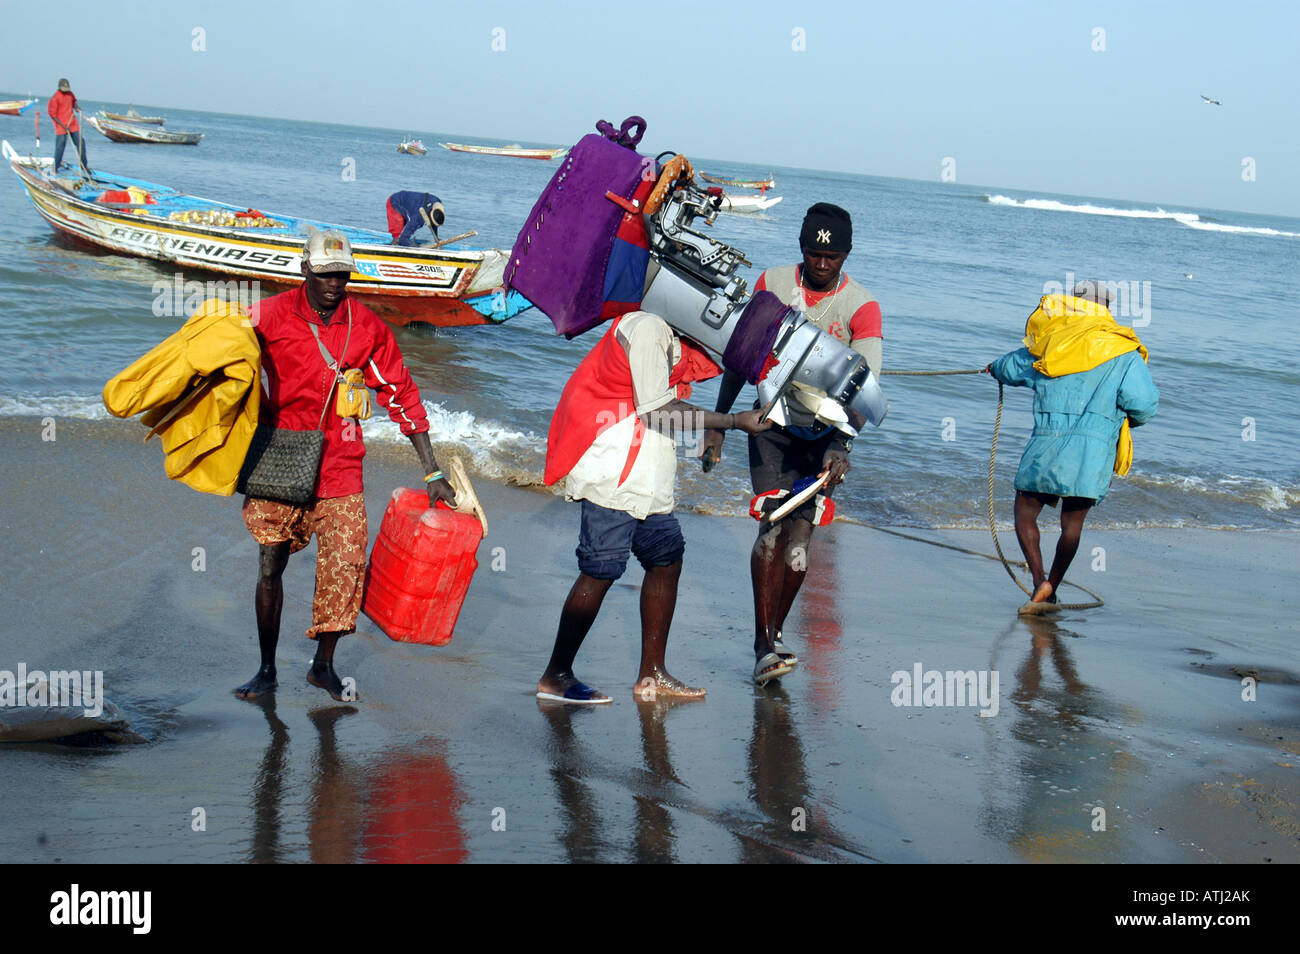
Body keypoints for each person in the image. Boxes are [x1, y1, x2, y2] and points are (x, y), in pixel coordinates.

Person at [235, 229, 456, 701]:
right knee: (271, 563)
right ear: (305, 270)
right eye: (325, 274)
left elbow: (401, 393)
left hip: (340, 465)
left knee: (345, 567)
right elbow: (223, 363)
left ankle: (323, 666)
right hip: (280, 457)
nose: (335, 284)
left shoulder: (368, 327)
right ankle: (267, 669)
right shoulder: (267, 316)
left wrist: (432, 471)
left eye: (343, 275)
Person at [537, 310, 771, 704]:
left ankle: (653, 674)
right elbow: (657, 410)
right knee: (600, 570)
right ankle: (556, 675)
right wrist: (731, 422)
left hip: (647, 464)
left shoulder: (670, 330)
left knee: (666, 558)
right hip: (617, 464)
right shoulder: (646, 328)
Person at [704, 202, 883, 684]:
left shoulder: (861, 307)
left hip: (824, 438)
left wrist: (842, 446)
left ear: (846, 254)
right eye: (812, 253)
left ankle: (775, 633)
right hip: (771, 426)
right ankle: (764, 643)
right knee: (771, 527)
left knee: (801, 543)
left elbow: (865, 387)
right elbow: (741, 356)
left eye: (832, 256)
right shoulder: (772, 284)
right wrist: (721, 424)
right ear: (801, 249)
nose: (821, 264)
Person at [986, 280, 1159, 613]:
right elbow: (1144, 405)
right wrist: (1115, 421)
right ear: (1106, 309)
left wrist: (993, 368)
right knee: (1072, 526)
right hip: (1092, 455)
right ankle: (1052, 584)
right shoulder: (1124, 354)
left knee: (1024, 514)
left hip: (1045, 448)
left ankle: (1040, 583)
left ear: (1072, 303)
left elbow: (1010, 367)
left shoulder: (1053, 341)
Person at [47, 78, 89, 174]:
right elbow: (52, 115)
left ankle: (84, 167)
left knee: (81, 143)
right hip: (61, 125)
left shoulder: (70, 94)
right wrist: (63, 125)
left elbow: (74, 102)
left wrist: (77, 108)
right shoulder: (55, 98)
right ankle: (56, 168)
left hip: (72, 123)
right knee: (60, 146)